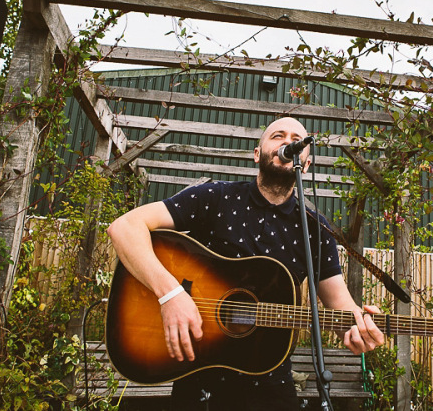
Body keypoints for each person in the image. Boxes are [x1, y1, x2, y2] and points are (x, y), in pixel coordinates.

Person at [107, 116, 385, 410]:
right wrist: (170, 294)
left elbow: (341, 307)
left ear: (306, 163)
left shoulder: (315, 227)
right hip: (201, 379)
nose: (288, 142)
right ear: (257, 153)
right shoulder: (214, 197)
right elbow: (125, 228)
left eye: (297, 140)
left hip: (270, 381)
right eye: (278, 135)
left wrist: (357, 327)